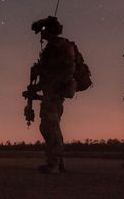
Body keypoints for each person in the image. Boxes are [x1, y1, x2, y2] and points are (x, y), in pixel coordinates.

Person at [24, 16, 78, 174]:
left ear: (49, 30)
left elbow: (60, 71)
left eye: (43, 30)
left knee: (49, 126)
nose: (41, 34)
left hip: (54, 93)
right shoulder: (56, 47)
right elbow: (50, 73)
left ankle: (53, 164)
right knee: (52, 126)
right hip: (53, 92)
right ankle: (58, 163)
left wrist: (45, 82)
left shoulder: (58, 47)